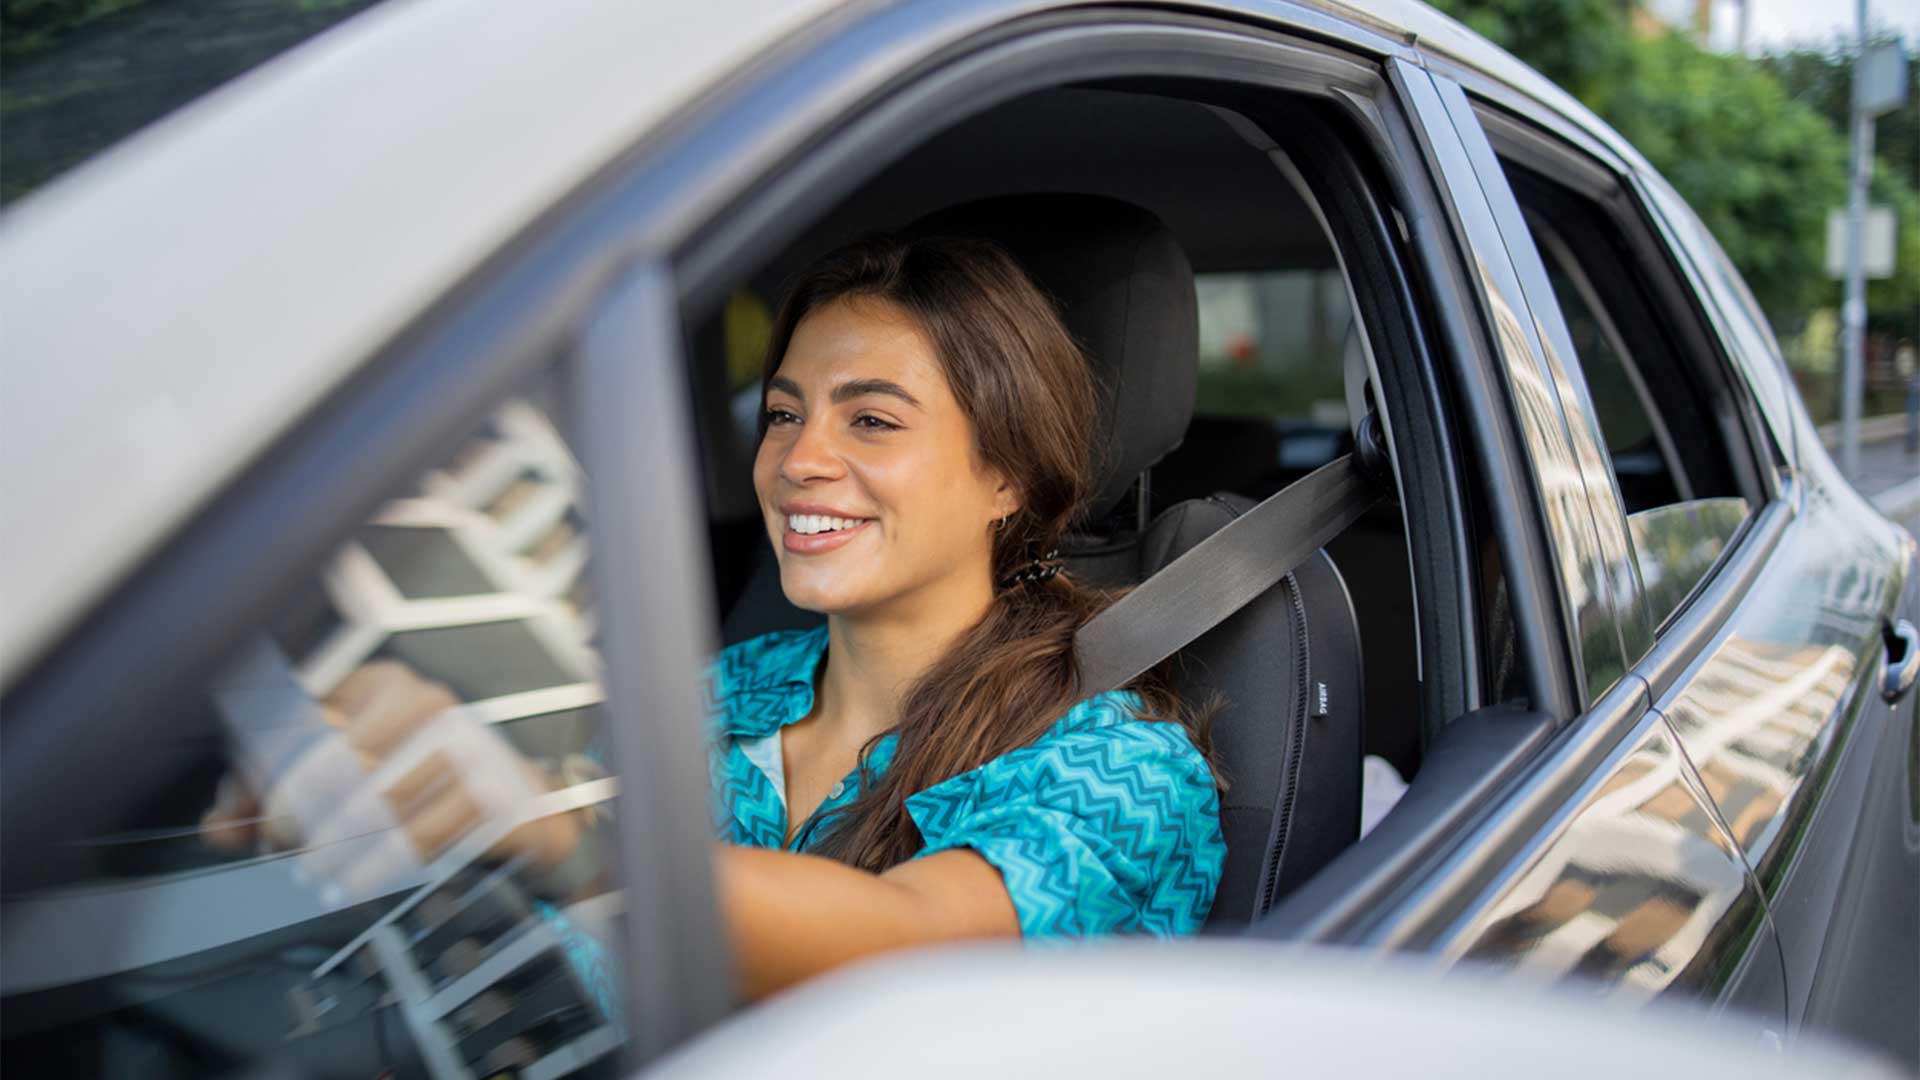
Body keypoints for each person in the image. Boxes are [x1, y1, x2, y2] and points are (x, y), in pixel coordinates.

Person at [204, 232, 1227, 1003]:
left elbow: (906, 943)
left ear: (1006, 473)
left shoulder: (1119, 764)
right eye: (783, 413)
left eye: (870, 420)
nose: (797, 461)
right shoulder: (716, 692)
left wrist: (565, 835)